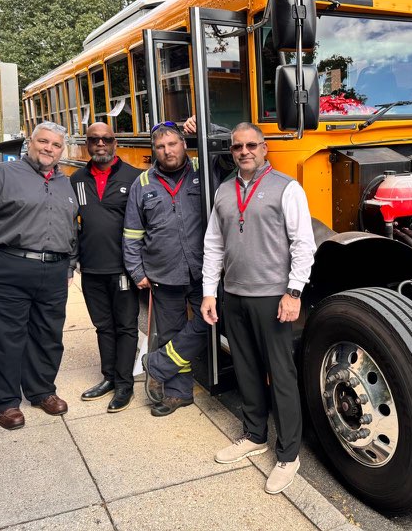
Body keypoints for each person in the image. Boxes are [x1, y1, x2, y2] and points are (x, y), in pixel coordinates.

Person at [201, 122, 316, 495]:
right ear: (231, 152)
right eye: (237, 147)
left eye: (251, 145)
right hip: (233, 295)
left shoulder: (287, 188)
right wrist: (209, 293)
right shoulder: (223, 192)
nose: (244, 151)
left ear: (264, 148)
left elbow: (303, 244)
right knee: (247, 369)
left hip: (273, 298)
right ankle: (254, 435)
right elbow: (214, 246)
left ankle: (288, 455)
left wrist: (294, 293)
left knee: (280, 374)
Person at [0, 122, 78, 431]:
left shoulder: (66, 183)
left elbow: (72, 228)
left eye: (56, 145)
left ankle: (41, 391)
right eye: (43, 141)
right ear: (30, 142)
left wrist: (68, 265)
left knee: (48, 336)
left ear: (62, 150)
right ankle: (5, 402)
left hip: (52, 271)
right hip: (4, 267)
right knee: (1, 338)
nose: (49, 148)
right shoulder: (1, 175)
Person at [123, 121, 208, 417]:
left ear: (184, 144)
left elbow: (230, 147)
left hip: (203, 271)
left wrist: (204, 127)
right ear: (154, 151)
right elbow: (132, 232)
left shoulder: (203, 169)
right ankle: (178, 394)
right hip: (162, 273)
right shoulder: (142, 184)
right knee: (173, 333)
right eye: (160, 146)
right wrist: (137, 272)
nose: (167, 151)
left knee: (210, 321)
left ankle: (158, 363)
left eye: (172, 144)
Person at [71, 122, 141, 413]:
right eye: (94, 139)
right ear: (88, 143)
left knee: (125, 327)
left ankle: (125, 384)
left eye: (107, 139)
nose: (101, 144)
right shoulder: (76, 180)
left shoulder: (135, 177)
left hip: (123, 268)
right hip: (91, 268)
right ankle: (109, 378)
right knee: (103, 327)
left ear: (115, 142)